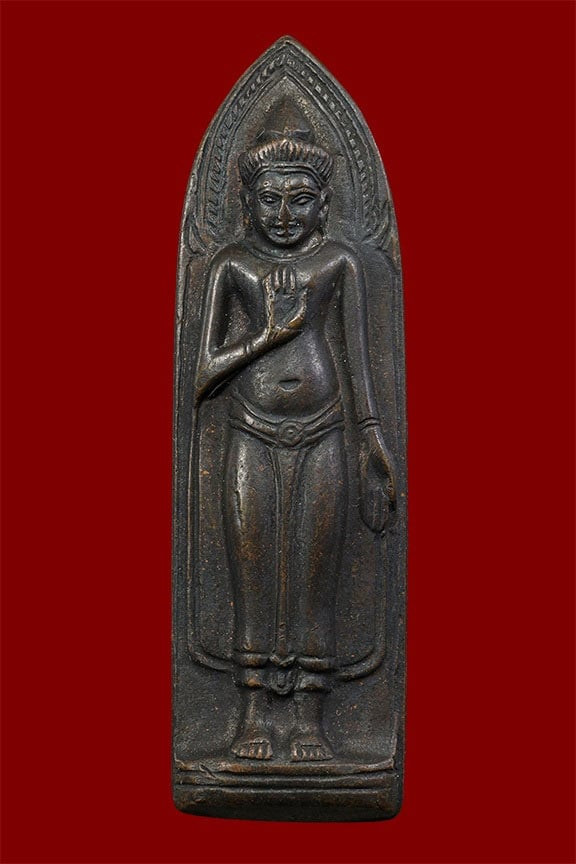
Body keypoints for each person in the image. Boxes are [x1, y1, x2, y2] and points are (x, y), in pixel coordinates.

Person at [195, 99, 395, 761]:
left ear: (324, 203)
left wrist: (373, 439)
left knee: (314, 574)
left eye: (301, 199)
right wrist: (270, 334)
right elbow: (200, 378)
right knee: (253, 576)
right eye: (270, 200)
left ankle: (310, 722)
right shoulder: (232, 266)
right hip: (251, 433)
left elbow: (362, 361)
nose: (285, 215)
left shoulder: (339, 263)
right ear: (248, 204)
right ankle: (253, 718)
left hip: (325, 432)